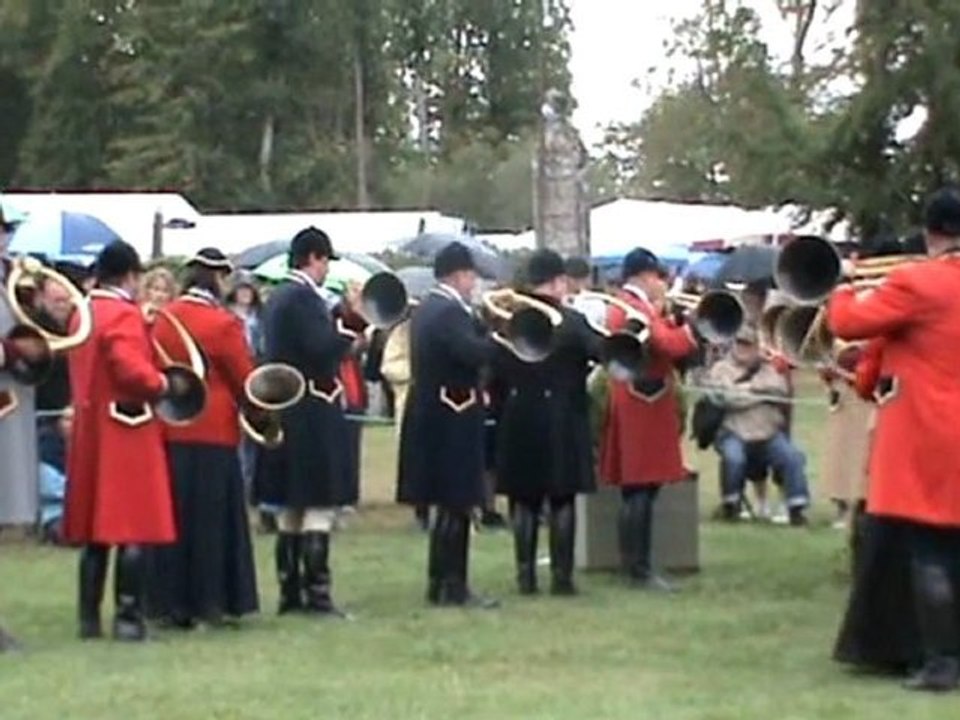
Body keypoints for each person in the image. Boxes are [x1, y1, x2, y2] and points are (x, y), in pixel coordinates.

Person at [829, 187, 960, 692]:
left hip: (929, 432)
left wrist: (843, 283)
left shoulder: (916, 280)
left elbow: (847, 321)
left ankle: (941, 663)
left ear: (931, 232)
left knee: (929, 549)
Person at [62, 240, 190, 642]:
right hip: (126, 426)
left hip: (91, 425)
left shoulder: (82, 311)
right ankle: (129, 618)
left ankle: (88, 617)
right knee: (133, 524)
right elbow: (129, 369)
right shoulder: (121, 313)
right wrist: (162, 382)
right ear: (131, 276)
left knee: (96, 530)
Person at [145, 248, 259, 629]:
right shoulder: (223, 324)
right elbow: (245, 379)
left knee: (171, 519)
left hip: (170, 427)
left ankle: (167, 602)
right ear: (219, 278)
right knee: (210, 523)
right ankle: (209, 602)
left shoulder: (163, 318)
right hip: (213, 429)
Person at [253, 227, 360, 618]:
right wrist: (352, 324)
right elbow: (321, 349)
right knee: (319, 504)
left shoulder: (278, 298)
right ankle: (317, 594)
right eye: (325, 261)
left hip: (288, 407)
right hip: (313, 409)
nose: (325, 269)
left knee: (291, 509)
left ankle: (290, 592)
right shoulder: (303, 297)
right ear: (314, 258)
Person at [494, 250, 603, 596]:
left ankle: (525, 577)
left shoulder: (507, 319)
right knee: (562, 498)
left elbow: (493, 369)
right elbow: (601, 351)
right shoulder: (569, 322)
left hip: (518, 415)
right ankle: (562, 578)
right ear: (558, 281)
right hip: (562, 417)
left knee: (523, 499)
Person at [397, 242, 497, 608]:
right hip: (453, 414)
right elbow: (471, 353)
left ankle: (440, 582)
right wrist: (497, 339)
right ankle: (454, 585)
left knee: (448, 505)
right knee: (458, 501)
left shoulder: (427, 309)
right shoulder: (449, 312)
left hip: (434, 412)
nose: (474, 284)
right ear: (459, 275)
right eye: (471, 276)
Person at [599, 248, 699, 592]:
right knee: (641, 488)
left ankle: (634, 564)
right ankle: (638, 568)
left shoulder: (625, 305)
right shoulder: (634, 308)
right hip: (644, 404)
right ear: (645, 276)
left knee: (638, 489)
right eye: (659, 277)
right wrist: (691, 325)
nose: (663, 284)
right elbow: (670, 346)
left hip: (638, 401)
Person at [705, 325, 810, 525]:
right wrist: (760, 394)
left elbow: (780, 390)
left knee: (793, 457)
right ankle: (731, 504)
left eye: (747, 344)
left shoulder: (769, 367)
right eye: (738, 343)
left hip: (769, 434)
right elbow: (726, 398)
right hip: (734, 433)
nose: (741, 348)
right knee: (733, 457)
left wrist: (743, 391)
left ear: (756, 346)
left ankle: (796, 507)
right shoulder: (721, 369)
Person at [0, 219, 41, 533]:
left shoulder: (13, 276)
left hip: (16, 385)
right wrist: (14, 350)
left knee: (16, 460)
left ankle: (15, 520)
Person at [565, 256, 606, 329]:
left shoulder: (595, 302)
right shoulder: (559, 300)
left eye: (580, 279)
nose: (575, 283)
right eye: (574, 279)